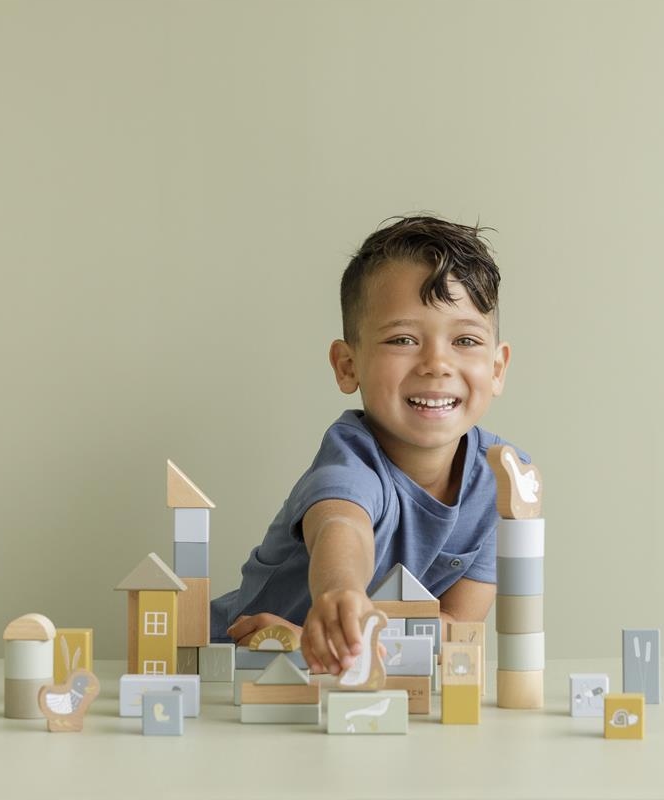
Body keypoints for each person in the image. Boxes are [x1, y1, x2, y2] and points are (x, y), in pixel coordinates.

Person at [209, 214, 530, 676]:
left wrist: (353, 638)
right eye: (403, 339)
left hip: (352, 677)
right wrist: (340, 594)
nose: (437, 363)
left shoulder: (501, 481)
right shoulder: (351, 459)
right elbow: (342, 526)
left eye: (464, 340)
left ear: (497, 369)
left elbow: (458, 629)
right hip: (237, 664)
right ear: (347, 366)